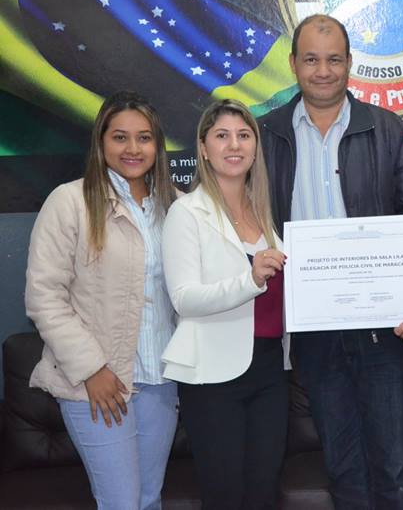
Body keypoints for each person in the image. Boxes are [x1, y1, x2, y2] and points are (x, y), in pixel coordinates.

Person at [259, 14, 403, 508]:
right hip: (313, 331)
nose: (323, 71)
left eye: (333, 59)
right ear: (293, 64)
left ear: (349, 63)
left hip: (385, 332)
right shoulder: (266, 136)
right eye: (311, 59)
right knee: (343, 469)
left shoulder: (387, 129)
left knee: (394, 471)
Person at [25, 91, 179, 510]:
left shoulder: (176, 207)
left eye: (144, 138)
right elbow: (43, 297)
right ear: (101, 141)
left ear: (157, 145)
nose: (133, 149)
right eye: (120, 137)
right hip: (96, 384)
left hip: (161, 382)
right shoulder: (69, 202)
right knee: (122, 503)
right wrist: (92, 368)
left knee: (148, 499)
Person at [161, 99, 289, 509]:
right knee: (225, 496)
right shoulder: (186, 212)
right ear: (203, 148)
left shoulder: (266, 211)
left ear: (255, 147)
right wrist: (250, 279)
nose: (234, 145)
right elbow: (184, 299)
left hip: (270, 368)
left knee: (264, 492)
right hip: (213, 376)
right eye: (222, 135)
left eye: (244, 135)